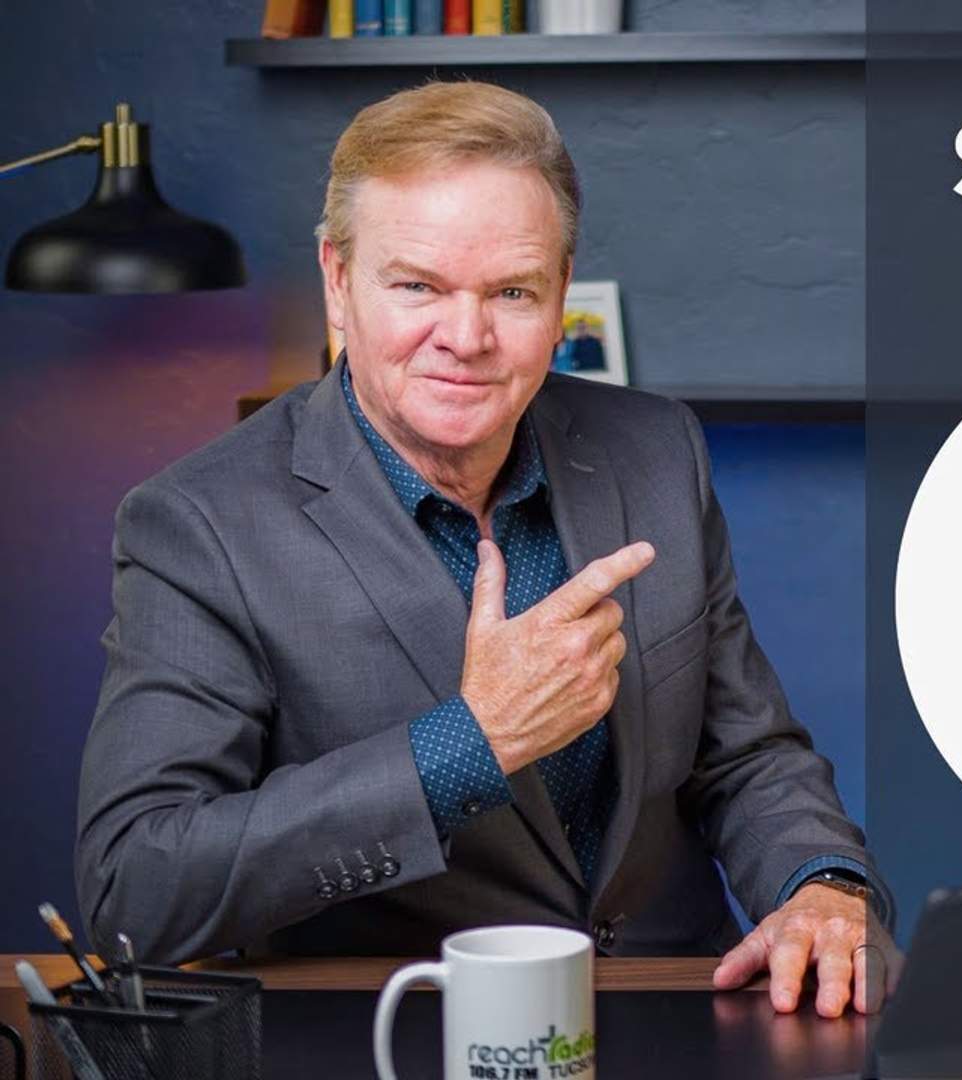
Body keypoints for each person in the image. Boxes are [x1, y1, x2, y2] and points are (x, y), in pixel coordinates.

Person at [74, 80, 895, 1018]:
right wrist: (469, 746)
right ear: (338, 282)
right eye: (416, 285)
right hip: (401, 1029)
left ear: (559, 293)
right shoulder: (199, 523)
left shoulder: (658, 448)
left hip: (676, 1008)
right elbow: (132, 889)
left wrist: (825, 886)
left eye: (511, 291)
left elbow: (745, 755)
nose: (465, 338)